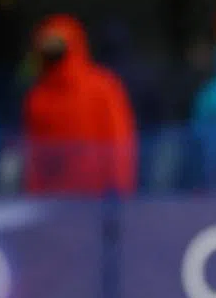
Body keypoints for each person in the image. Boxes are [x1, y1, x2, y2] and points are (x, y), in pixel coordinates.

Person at [22, 14, 137, 195]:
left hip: (96, 195)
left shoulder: (101, 86)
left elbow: (119, 139)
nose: (54, 57)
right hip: (54, 197)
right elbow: (34, 154)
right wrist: (35, 193)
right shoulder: (37, 96)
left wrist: (119, 187)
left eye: (57, 50)